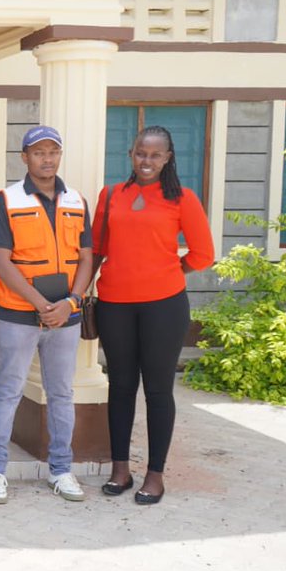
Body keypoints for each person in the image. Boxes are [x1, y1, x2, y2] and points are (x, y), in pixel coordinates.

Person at [93, 125, 214, 505]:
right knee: (121, 387)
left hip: (164, 305)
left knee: (158, 390)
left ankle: (155, 475)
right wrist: (82, 288)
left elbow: (203, 254)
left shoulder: (183, 199)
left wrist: (171, 271)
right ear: (131, 154)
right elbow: (96, 249)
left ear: (168, 158)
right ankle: (120, 469)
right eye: (141, 153)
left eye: (155, 155)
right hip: (114, 304)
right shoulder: (111, 195)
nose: (147, 161)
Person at [0, 126, 93, 505]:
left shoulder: (77, 200)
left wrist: (72, 302)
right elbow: (1, 259)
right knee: (8, 391)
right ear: (24, 157)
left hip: (66, 316)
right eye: (38, 152)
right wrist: (40, 304)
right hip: (18, 315)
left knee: (61, 393)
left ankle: (61, 470)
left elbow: (87, 256)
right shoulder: (6, 199)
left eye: (53, 152)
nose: (47, 159)